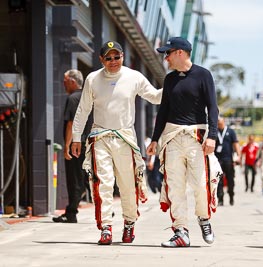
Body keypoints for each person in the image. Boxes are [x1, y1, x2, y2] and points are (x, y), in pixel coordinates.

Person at [71, 41, 162, 245]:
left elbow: (155, 97)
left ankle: (129, 223)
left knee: (128, 185)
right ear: (101, 59)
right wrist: (76, 138)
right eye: (108, 58)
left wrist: (174, 86)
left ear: (123, 56)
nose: (113, 61)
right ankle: (105, 227)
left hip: (125, 138)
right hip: (100, 136)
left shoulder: (134, 77)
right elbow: (83, 109)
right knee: (103, 182)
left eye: (117, 56)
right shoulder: (93, 78)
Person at [146, 37, 219, 248]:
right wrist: (154, 139)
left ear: (180, 53)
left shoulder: (203, 75)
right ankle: (180, 231)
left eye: (168, 53)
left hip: (196, 136)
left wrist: (212, 136)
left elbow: (212, 108)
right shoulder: (169, 80)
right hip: (172, 137)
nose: (165, 58)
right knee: (174, 186)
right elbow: (164, 111)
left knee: (200, 184)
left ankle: (204, 219)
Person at [52, 69, 92, 223]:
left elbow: (71, 124)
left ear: (72, 81)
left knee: (74, 178)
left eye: (65, 80)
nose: (63, 84)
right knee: (86, 177)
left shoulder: (73, 98)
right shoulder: (87, 97)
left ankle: (71, 213)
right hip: (87, 143)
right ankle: (99, 207)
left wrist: (67, 146)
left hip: (76, 144)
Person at [215, 117, 241, 206]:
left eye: (220, 123)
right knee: (218, 180)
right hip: (218, 161)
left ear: (224, 123)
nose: (219, 125)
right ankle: (220, 198)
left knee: (230, 180)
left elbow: (236, 144)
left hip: (228, 160)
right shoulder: (214, 132)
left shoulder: (231, 132)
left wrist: (238, 156)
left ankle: (231, 197)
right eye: (218, 124)